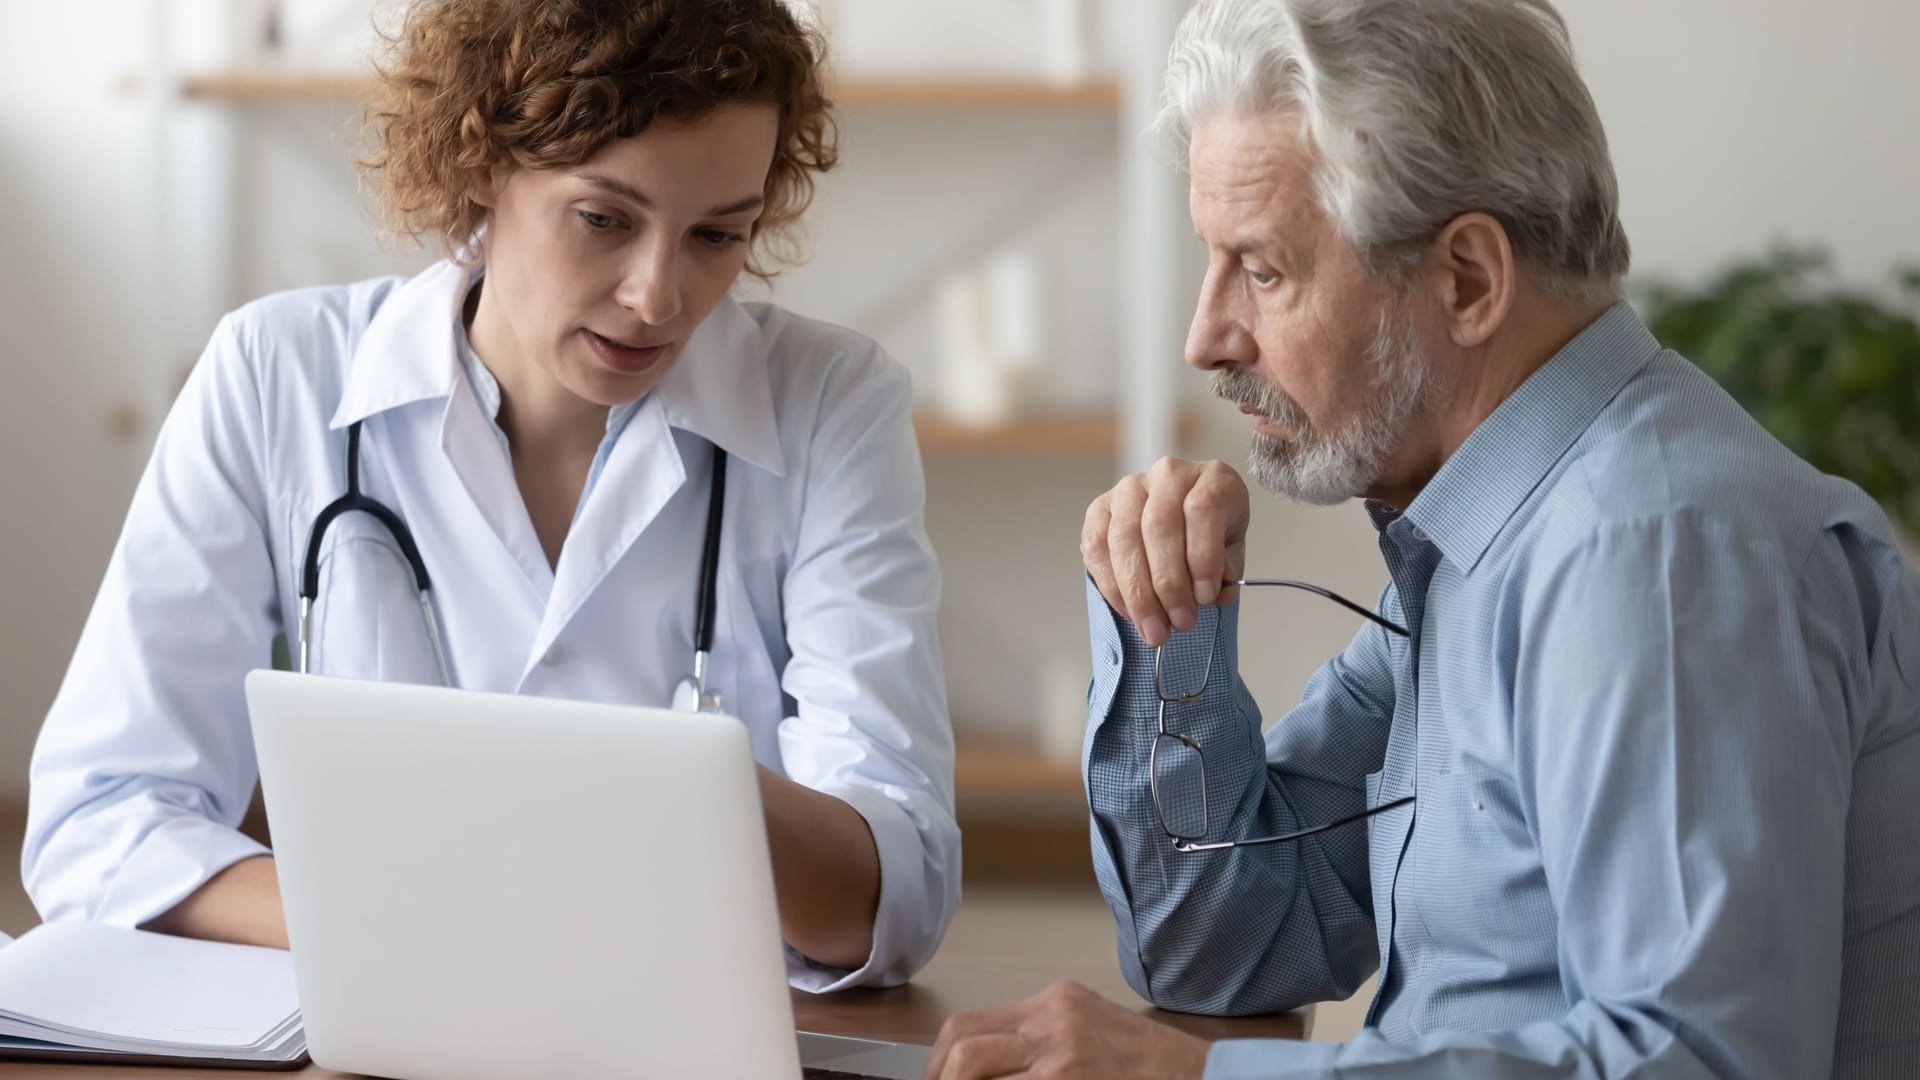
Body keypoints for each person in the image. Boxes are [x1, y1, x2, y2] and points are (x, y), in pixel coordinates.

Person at [927, 0, 1919, 1075]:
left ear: (1468, 281)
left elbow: (1697, 1061)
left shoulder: (1654, 552)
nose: (1205, 337)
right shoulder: (1478, 544)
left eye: (1261, 270)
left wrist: (1192, 1074)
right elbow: (1226, 945)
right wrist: (1165, 616)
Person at [24, 0, 959, 992]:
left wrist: (664, 786)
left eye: (717, 235)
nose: (659, 296)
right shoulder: (274, 376)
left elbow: (894, 892)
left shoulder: (831, 404)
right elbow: (98, 820)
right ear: (481, 161)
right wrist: (397, 926)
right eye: (605, 219)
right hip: (375, 1026)